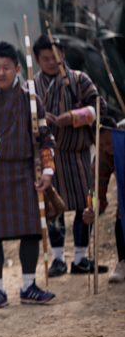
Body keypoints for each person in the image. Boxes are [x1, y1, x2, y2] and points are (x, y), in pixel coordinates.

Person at [0, 41, 56, 309]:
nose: (1, 73)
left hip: (25, 173)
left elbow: (46, 140)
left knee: (31, 232)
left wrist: (47, 171)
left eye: (6, 68)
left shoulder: (31, 101)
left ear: (17, 68)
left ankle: (29, 286)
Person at [33, 35, 108, 277]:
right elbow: (24, 117)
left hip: (78, 154)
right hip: (48, 158)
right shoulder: (31, 86)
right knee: (53, 207)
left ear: (63, 55)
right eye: (46, 59)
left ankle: (80, 258)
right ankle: (57, 260)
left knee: (86, 204)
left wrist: (72, 117)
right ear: (37, 60)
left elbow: (99, 108)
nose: (52, 63)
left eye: (56, 57)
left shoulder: (79, 80)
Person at [81, 117, 125, 282]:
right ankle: (123, 261)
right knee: (122, 211)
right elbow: (97, 192)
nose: (107, 148)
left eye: (109, 142)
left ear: (117, 133)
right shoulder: (101, 157)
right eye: (101, 145)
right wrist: (93, 209)